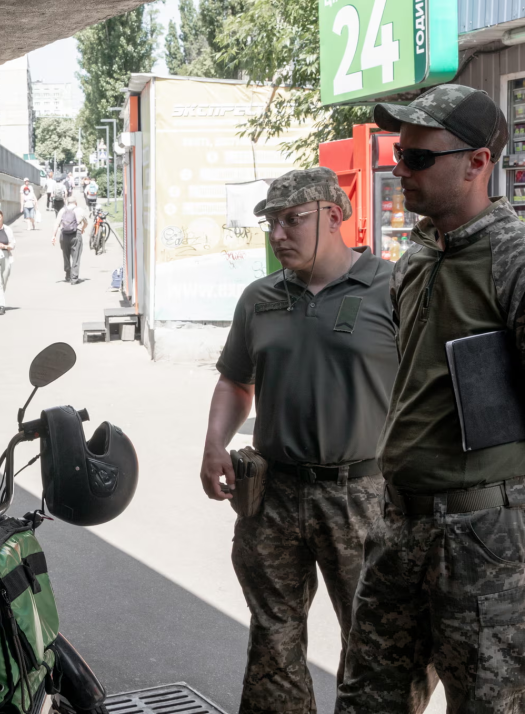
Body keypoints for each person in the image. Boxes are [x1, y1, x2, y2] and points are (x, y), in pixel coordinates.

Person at [337, 85, 525, 714]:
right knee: (366, 700)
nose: (400, 169)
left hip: (484, 537)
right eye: (400, 153)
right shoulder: (416, 257)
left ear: (477, 163)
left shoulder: (513, 258)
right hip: (399, 524)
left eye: (419, 158)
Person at [200, 168, 398, 714]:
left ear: (333, 217)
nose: (278, 234)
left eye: (292, 220)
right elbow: (235, 381)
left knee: (374, 643)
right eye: (271, 222)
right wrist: (214, 443)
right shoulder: (259, 298)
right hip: (273, 496)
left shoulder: (392, 288)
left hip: (363, 495)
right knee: (273, 641)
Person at [52, 197, 89, 285]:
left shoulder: (62, 210)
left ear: (67, 203)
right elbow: (86, 223)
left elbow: (57, 223)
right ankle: (74, 278)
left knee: (65, 255)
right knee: (76, 257)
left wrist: (53, 236)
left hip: (64, 235)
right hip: (76, 235)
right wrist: (82, 229)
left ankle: (68, 274)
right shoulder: (80, 210)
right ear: (75, 202)